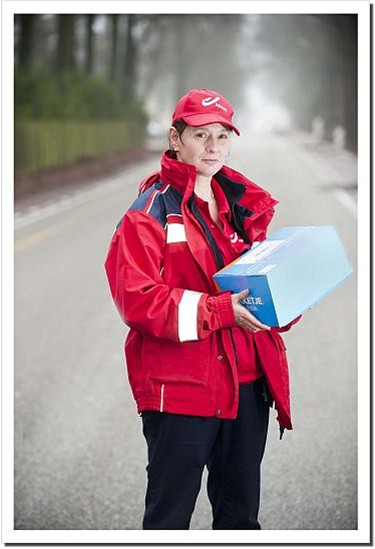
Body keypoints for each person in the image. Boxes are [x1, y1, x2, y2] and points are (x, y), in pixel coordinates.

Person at [105, 88, 300, 530]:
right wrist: (221, 311)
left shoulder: (239, 207)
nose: (213, 147)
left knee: (240, 520)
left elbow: (255, 290)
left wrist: (287, 297)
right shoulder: (148, 214)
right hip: (182, 394)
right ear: (176, 138)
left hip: (248, 388)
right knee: (169, 521)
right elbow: (138, 301)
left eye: (222, 136)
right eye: (200, 135)